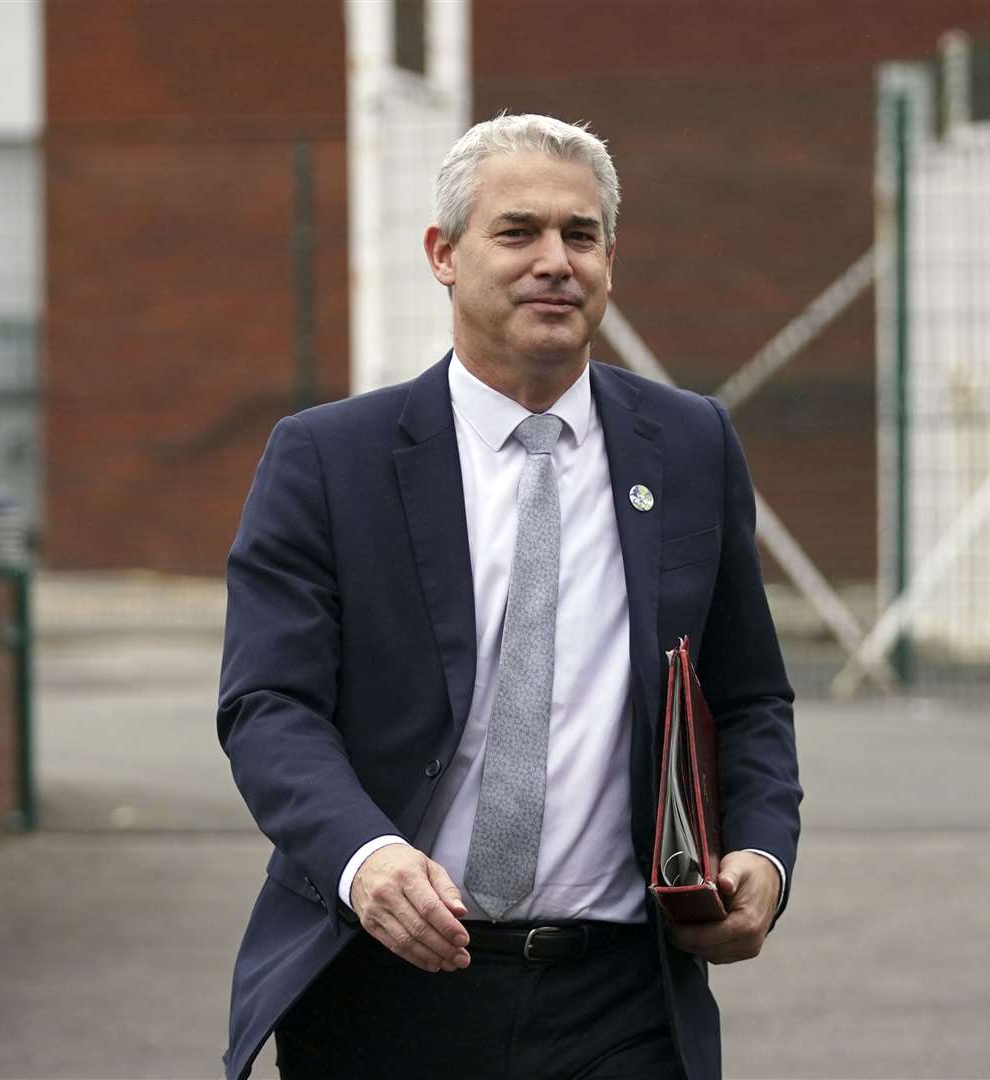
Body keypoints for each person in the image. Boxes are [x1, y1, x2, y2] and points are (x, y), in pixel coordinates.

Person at [217, 113, 802, 1080]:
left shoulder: (691, 445)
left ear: (611, 257)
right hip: (387, 980)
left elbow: (748, 696)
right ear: (444, 254)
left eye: (581, 236)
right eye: (518, 232)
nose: (555, 262)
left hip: (620, 994)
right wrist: (366, 860)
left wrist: (764, 858)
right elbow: (268, 705)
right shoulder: (329, 461)